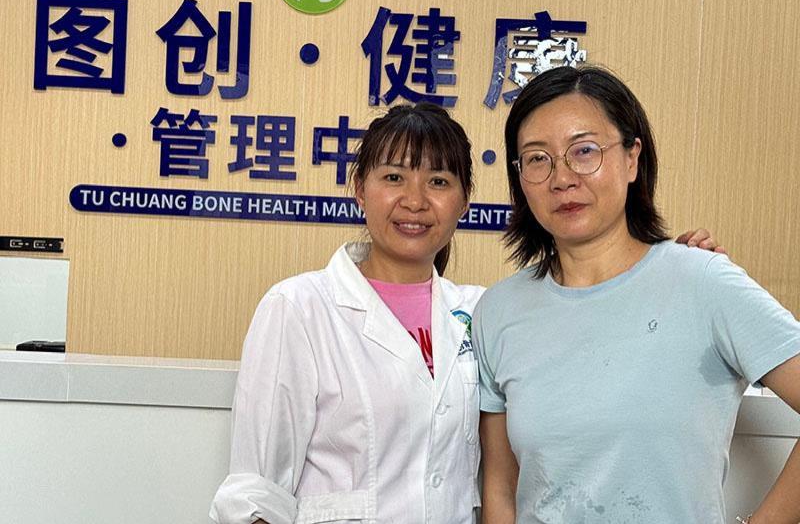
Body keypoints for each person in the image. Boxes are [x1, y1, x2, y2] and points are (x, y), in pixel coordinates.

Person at [209, 102, 722, 524]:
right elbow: (256, 489)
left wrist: (663, 275)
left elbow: (590, 333)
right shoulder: (299, 308)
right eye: (393, 177)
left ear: (464, 201)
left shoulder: (486, 311)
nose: (414, 201)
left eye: (438, 182)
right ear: (359, 187)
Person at [475, 65, 800, 524]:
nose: (561, 178)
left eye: (584, 151)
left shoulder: (701, 281)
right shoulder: (499, 310)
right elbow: (501, 489)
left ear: (632, 158)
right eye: (537, 158)